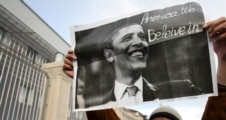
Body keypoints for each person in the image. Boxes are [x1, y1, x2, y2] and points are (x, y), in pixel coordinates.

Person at [64, 17, 226, 120]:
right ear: (109, 55)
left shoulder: (185, 85)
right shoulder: (103, 99)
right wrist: (83, 81)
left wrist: (225, 62)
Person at [67, 23, 201, 108]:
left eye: (142, 37)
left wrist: (223, 63)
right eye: (127, 38)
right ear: (109, 55)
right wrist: (76, 76)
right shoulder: (98, 103)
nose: (139, 42)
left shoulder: (182, 88)